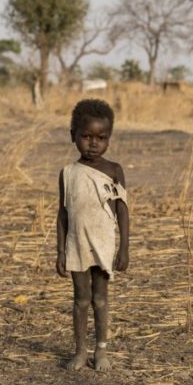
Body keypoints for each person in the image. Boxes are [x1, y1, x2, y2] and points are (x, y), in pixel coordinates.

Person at [56, 98, 130, 371]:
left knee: (100, 299)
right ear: (72, 136)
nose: (94, 143)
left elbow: (122, 210)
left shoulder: (114, 171)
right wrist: (60, 250)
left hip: (104, 244)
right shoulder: (68, 173)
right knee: (80, 299)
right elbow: (62, 213)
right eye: (86, 136)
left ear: (109, 137)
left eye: (102, 137)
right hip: (77, 244)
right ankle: (80, 352)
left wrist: (124, 248)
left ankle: (101, 351)